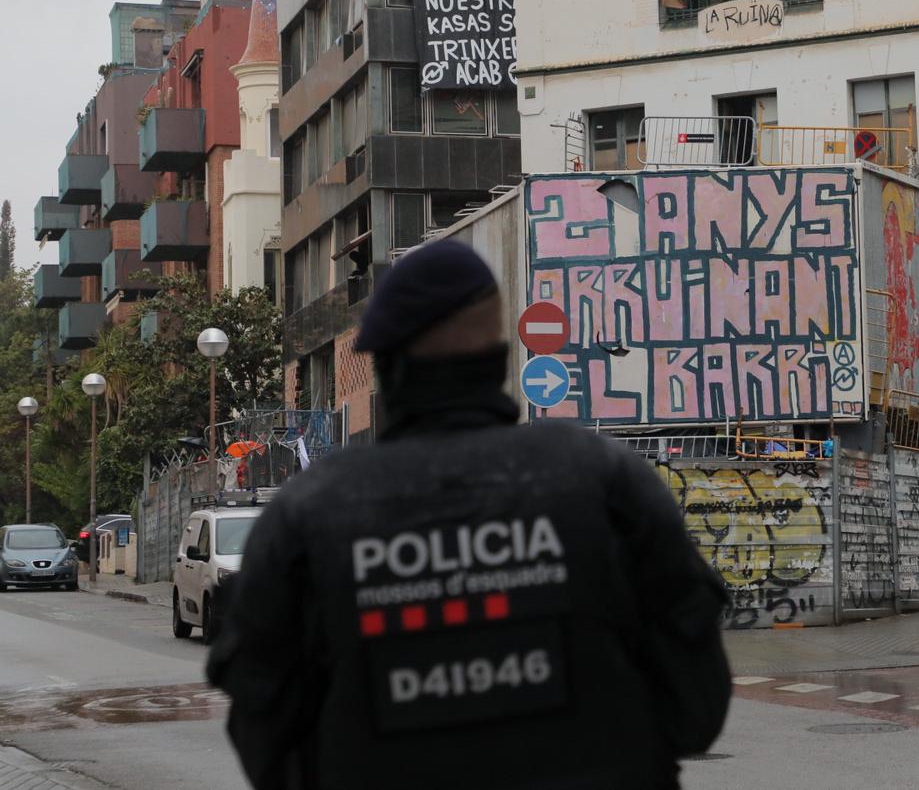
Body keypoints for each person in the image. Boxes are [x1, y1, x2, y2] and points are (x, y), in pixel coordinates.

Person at [207, 240, 731, 789]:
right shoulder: (604, 479)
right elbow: (696, 707)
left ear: (387, 363)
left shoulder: (307, 516)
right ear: (500, 356)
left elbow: (263, 734)